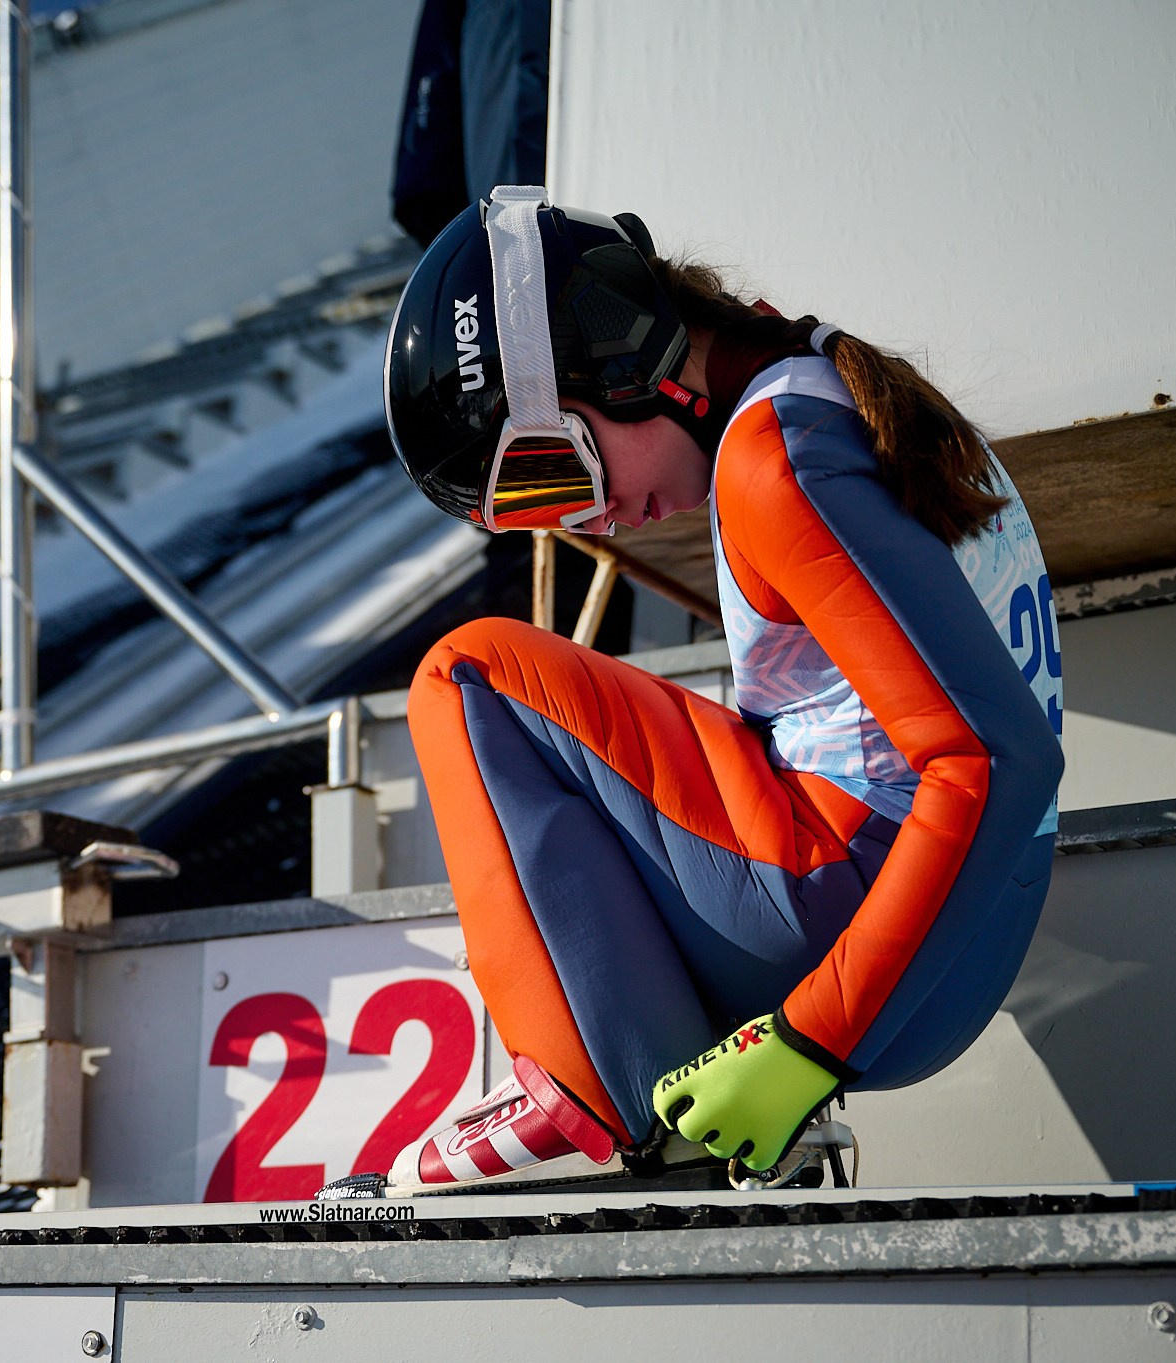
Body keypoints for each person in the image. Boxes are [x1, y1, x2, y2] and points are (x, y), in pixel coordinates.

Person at [327, 187, 1064, 1197]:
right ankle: (654, 1087)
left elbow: (993, 761)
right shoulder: (827, 399)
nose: (588, 519)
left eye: (554, 465)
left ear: (620, 361)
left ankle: (587, 1098)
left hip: (854, 930)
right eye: (539, 506)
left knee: (467, 673)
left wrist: (811, 1040)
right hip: (948, 953)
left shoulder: (778, 458)